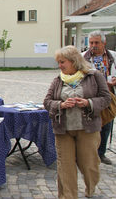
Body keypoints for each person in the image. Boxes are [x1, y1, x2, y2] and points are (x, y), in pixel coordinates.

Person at [44, 45, 111, 199]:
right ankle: (68, 196)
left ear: (74, 61)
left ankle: (90, 187)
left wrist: (88, 103)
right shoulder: (58, 80)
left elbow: (106, 98)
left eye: (62, 62)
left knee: (89, 164)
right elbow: (47, 102)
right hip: (63, 129)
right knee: (65, 166)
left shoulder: (94, 76)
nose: (59, 66)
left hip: (87, 129)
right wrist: (60, 105)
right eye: (58, 62)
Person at [82, 30, 116, 165]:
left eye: (97, 42)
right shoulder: (82, 57)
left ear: (104, 43)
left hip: (109, 96)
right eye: (91, 42)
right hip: (91, 97)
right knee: (89, 126)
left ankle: (101, 153)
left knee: (107, 125)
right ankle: (88, 153)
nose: (93, 45)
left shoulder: (113, 56)